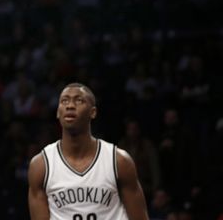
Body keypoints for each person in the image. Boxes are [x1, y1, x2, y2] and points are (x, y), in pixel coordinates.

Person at [28, 83, 149, 220]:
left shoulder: (119, 161)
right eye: (64, 101)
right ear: (57, 112)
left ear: (93, 112)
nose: (70, 106)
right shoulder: (41, 165)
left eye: (79, 100)